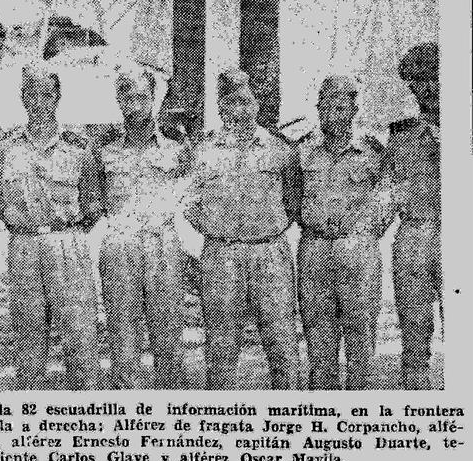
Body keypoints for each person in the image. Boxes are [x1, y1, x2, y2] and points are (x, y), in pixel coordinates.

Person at [183, 67, 301, 390]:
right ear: (221, 107)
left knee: (282, 342)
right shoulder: (203, 151)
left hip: (269, 251)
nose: (241, 110)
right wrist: (216, 228)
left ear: (257, 105)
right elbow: (190, 201)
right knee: (221, 345)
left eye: (247, 102)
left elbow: (293, 201)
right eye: (233, 102)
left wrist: (266, 228)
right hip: (222, 254)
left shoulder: (281, 149)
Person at [82, 67, 189, 389]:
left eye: (143, 97)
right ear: (118, 100)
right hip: (120, 246)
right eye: (129, 97)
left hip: (163, 245)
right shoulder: (102, 151)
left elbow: (193, 194)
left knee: (168, 332)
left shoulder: (176, 148)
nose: (136, 104)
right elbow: (91, 199)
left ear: (154, 100)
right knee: (122, 334)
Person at [0, 65, 101, 390]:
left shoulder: (79, 148)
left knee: (80, 334)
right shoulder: (6, 149)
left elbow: (93, 204)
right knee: (28, 338)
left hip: (67, 243)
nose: (39, 102)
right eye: (32, 94)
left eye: (47, 94)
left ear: (58, 97)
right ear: (21, 98)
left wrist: (67, 230)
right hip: (25, 246)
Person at [297, 76, 391, 391]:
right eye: (326, 107)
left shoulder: (373, 149)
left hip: (359, 253)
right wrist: (311, 220)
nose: (333, 113)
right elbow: (289, 196)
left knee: (361, 334)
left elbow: (389, 193)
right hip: (316, 251)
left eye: (340, 106)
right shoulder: (302, 149)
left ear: (353, 108)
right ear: (318, 108)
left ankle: (358, 407)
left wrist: (367, 229)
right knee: (318, 336)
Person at [383, 42, 441, 390]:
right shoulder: (401, 136)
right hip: (414, 235)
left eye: (433, 77)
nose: (428, 88)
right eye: (417, 81)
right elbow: (384, 189)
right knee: (414, 333)